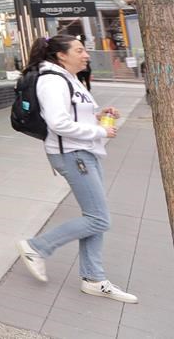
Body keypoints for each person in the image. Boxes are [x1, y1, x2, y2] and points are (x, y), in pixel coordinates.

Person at [15, 35, 137, 303]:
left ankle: (94, 279)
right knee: (99, 219)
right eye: (80, 50)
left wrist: (99, 116)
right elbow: (58, 123)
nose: (86, 55)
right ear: (61, 55)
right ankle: (37, 247)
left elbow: (74, 115)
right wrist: (100, 131)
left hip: (84, 152)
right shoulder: (52, 80)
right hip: (72, 154)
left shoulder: (69, 78)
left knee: (95, 217)